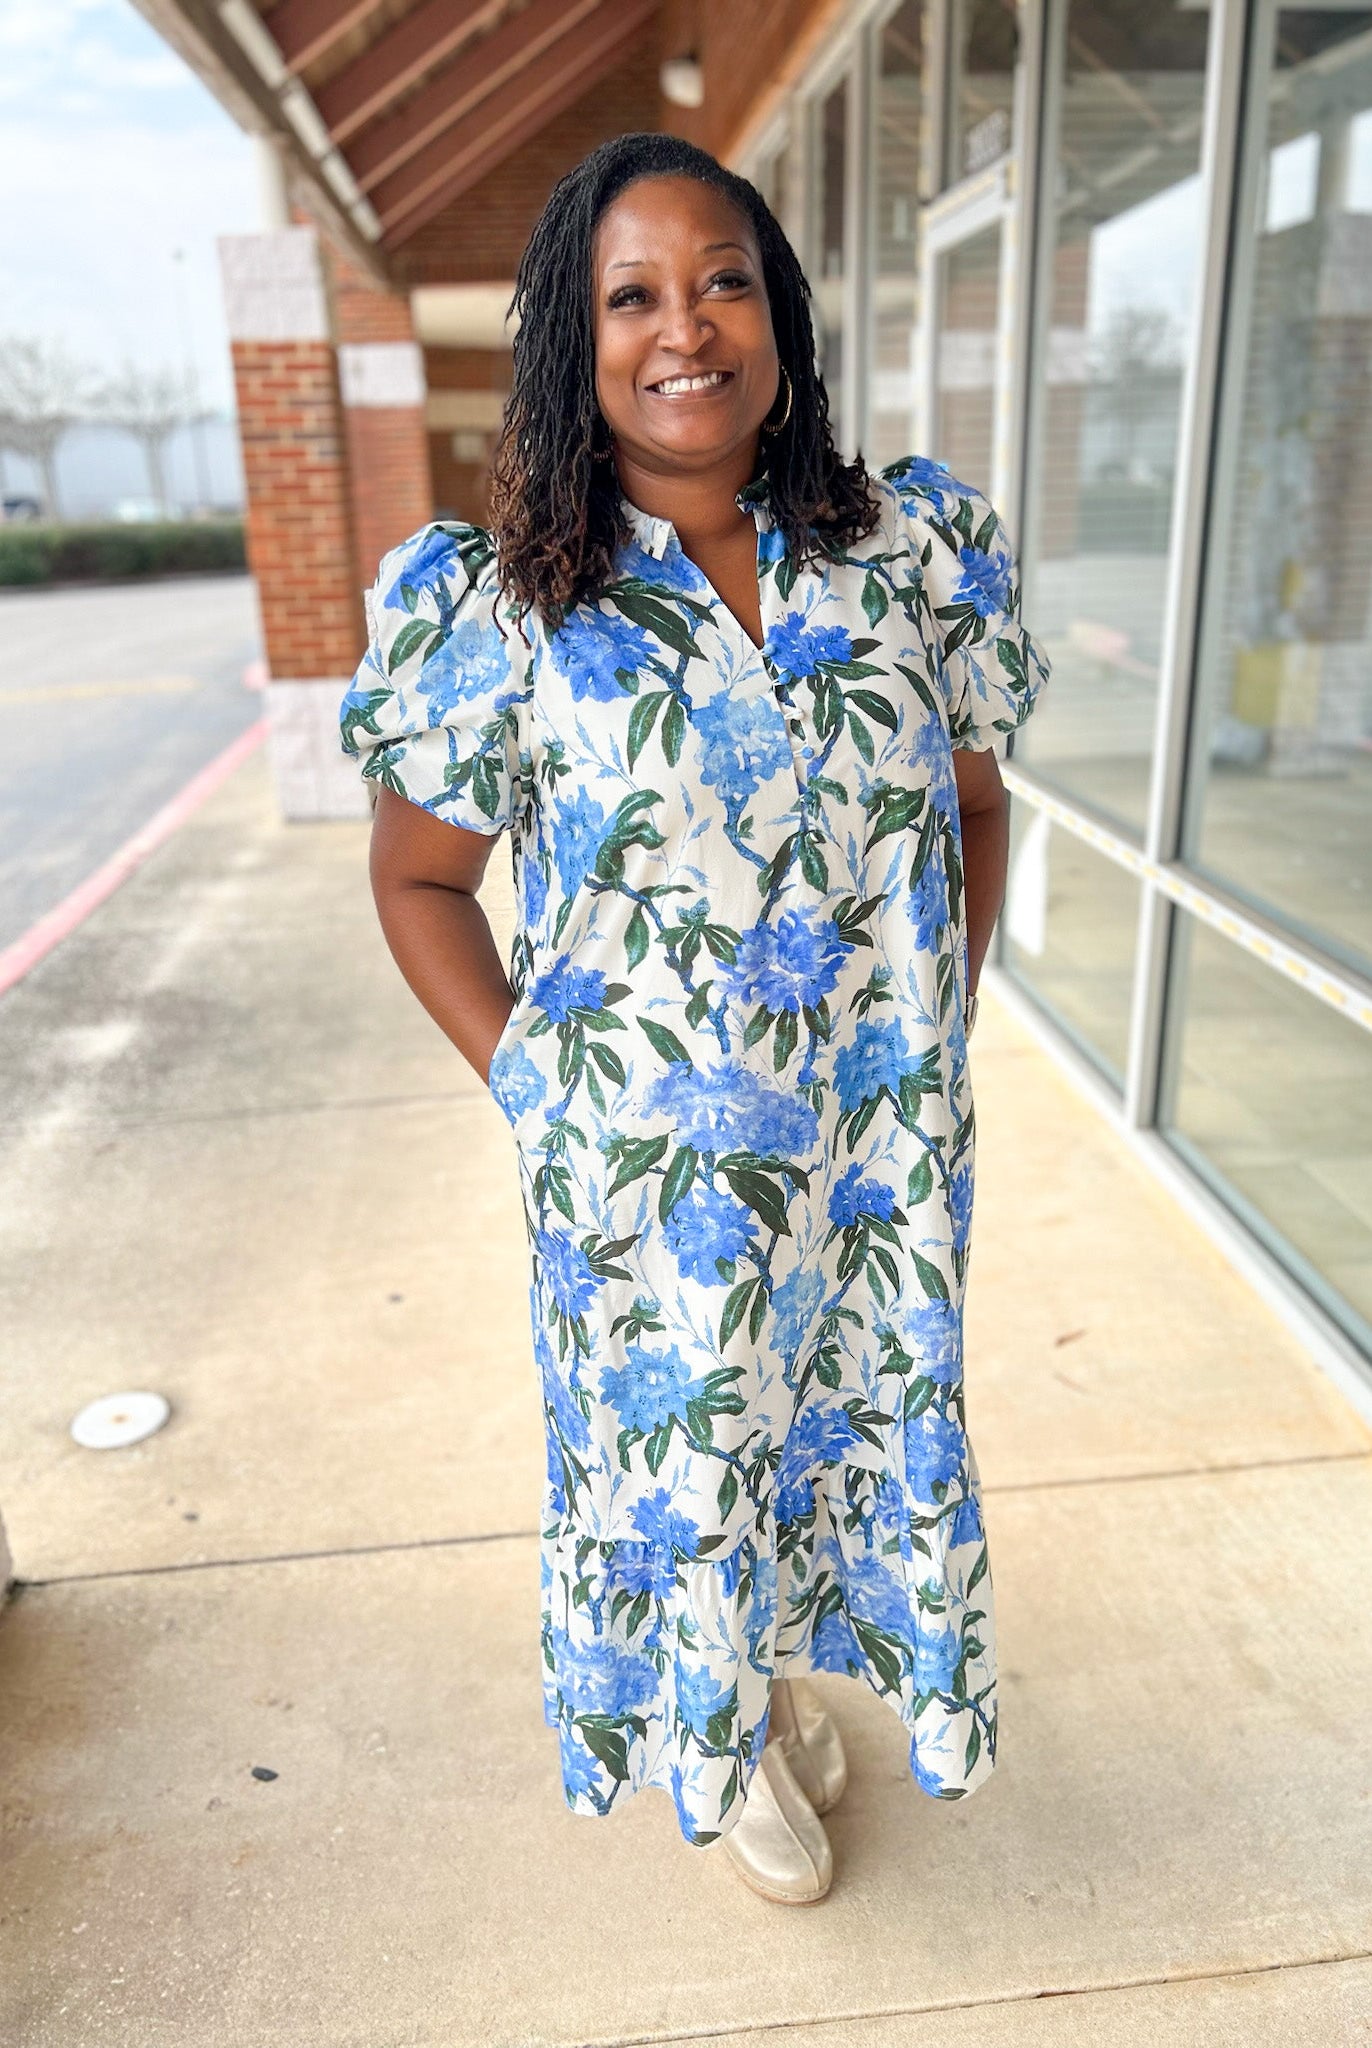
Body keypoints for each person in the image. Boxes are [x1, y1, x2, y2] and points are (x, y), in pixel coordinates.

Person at [339, 131, 1049, 1905]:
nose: (687, 329)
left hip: (876, 1156)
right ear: (573, 344)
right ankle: (720, 1757)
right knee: (700, 1451)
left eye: (723, 279)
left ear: (780, 312)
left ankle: (784, 1692)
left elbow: (971, 804)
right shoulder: (509, 603)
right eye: (632, 295)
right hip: (644, 1186)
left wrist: (926, 1020)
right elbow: (419, 883)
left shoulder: (907, 558)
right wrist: (539, 1083)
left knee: (840, 1414)